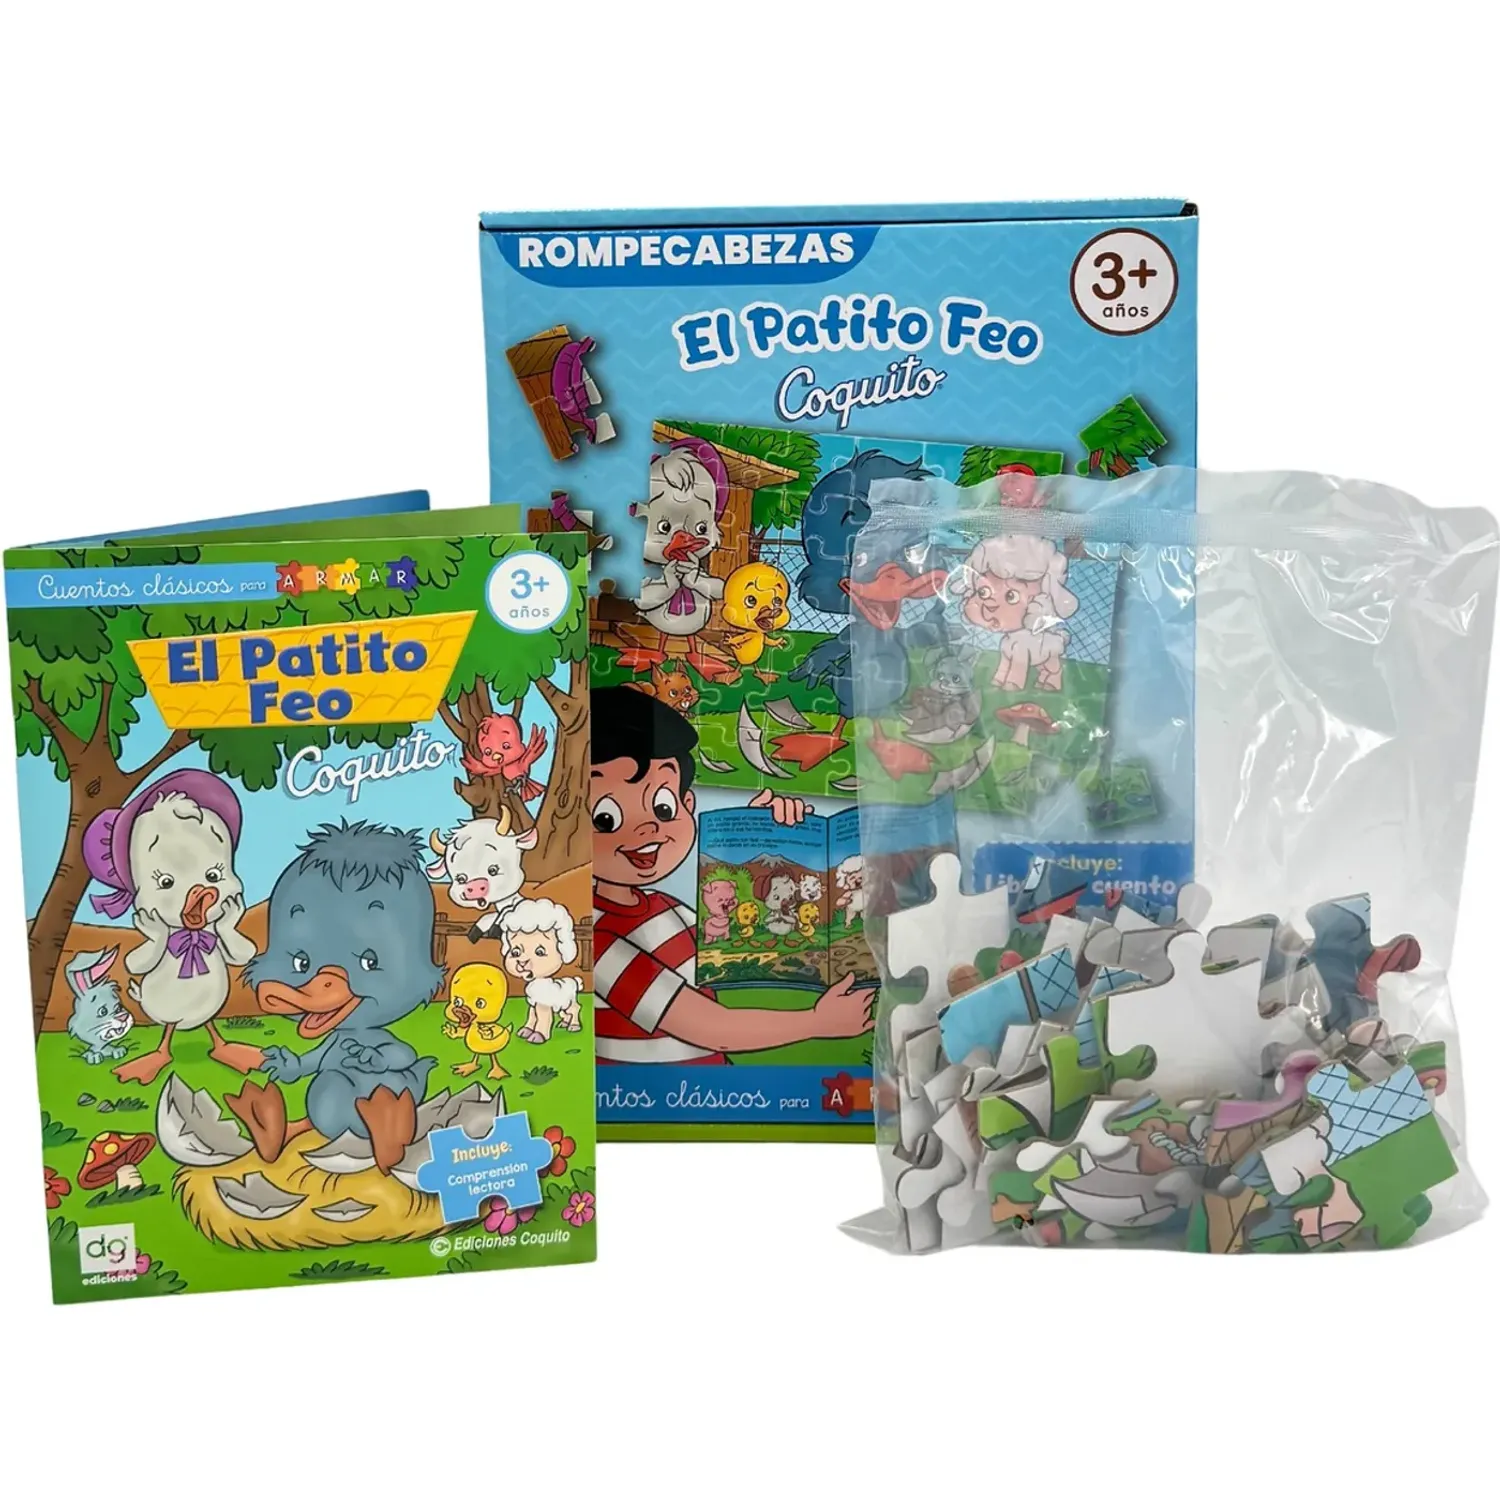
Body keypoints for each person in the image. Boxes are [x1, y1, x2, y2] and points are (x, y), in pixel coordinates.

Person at [590, 686, 874, 1065]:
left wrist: (760, 830)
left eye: (663, 807)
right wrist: (816, 1022)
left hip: (713, 1088)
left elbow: (735, 931)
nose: (647, 829)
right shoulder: (593, 940)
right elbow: (708, 1026)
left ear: (687, 804)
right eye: (605, 818)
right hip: (651, 1096)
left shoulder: (664, 906)